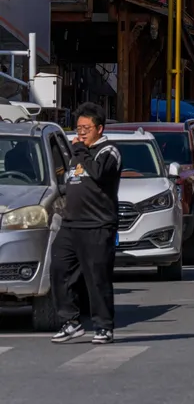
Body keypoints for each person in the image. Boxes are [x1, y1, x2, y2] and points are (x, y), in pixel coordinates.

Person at [50, 102, 122, 345]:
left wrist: (80, 150)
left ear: (99, 129)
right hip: (71, 224)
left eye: (86, 128)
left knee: (96, 277)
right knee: (59, 269)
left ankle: (103, 326)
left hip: (97, 224)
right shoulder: (76, 155)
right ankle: (69, 321)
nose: (81, 133)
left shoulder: (108, 151)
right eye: (78, 128)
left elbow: (99, 173)